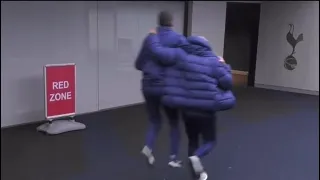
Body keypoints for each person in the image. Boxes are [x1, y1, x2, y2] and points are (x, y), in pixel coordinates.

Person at [144, 32, 236, 180]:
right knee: (210, 141)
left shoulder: (181, 60)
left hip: (187, 110)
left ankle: (196, 175)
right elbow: (227, 83)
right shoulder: (213, 61)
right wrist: (224, 65)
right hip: (206, 110)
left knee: (192, 140)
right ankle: (198, 156)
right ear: (206, 46)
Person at [134, 11, 187, 168]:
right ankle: (173, 158)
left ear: (159, 22)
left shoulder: (150, 39)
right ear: (172, 22)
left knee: (154, 121)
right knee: (174, 122)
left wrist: (151, 68)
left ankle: (148, 146)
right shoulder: (178, 39)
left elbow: (138, 64)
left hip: (148, 86)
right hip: (167, 88)